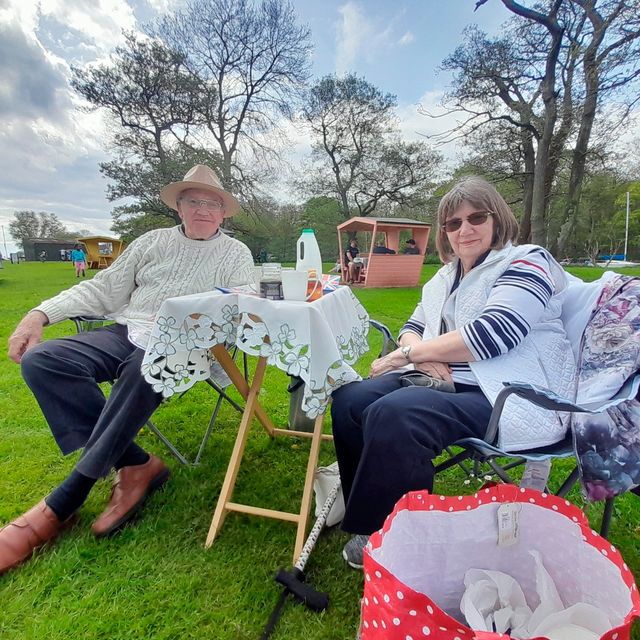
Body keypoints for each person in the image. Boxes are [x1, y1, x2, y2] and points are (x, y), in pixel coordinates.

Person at [2, 164, 255, 575]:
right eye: (194, 201)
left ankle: (65, 500)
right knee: (43, 361)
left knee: (145, 368)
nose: (203, 210)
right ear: (179, 206)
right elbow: (102, 288)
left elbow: (240, 309)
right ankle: (136, 462)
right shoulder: (151, 242)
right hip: (129, 330)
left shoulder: (236, 254)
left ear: (224, 212)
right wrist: (39, 313)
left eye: (212, 203)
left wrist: (187, 327)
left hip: (190, 345)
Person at [331, 176, 577, 569]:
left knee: (396, 414)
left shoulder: (528, 260)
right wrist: (420, 354)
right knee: (350, 399)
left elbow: (496, 333)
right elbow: (412, 324)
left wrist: (409, 354)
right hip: (444, 379)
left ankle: (396, 538)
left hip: (507, 393)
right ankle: (369, 509)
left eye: (476, 217)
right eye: (453, 223)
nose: (465, 229)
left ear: (498, 219)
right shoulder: (446, 275)